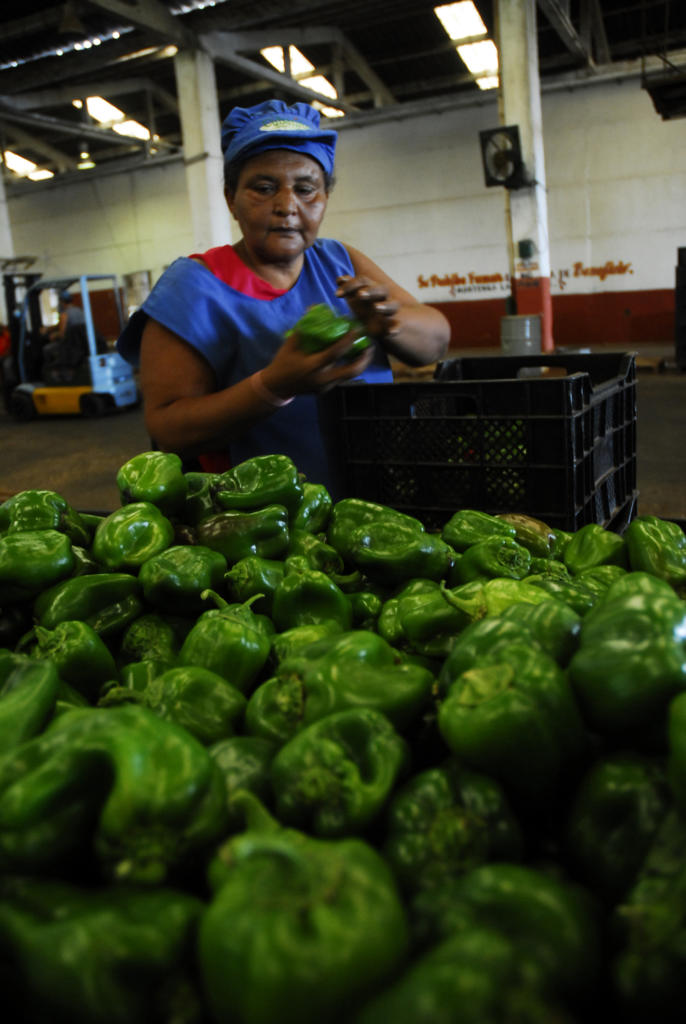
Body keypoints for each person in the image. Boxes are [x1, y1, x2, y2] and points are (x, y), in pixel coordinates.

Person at [117, 99, 450, 494]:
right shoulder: (193, 285)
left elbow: (436, 340)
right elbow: (169, 429)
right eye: (263, 188)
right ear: (231, 199)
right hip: (263, 521)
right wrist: (275, 386)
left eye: (307, 189)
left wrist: (390, 320)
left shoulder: (339, 260)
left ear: (325, 197)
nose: (287, 206)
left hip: (373, 499)